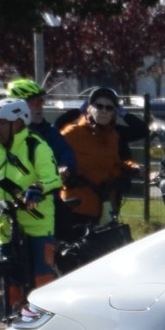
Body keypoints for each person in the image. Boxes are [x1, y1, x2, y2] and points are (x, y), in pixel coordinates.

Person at [0, 96, 64, 311]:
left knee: (42, 277)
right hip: (5, 222)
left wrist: (37, 189)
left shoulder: (36, 146)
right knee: (11, 280)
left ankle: (48, 319)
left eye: (1, 123)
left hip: (37, 223)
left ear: (18, 123)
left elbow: (54, 178)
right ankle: (14, 323)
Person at [59, 84, 140, 227]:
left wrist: (131, 168)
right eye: (99, 106)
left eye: (109, 108)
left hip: (105, 206)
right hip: (78, 206)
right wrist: (61, 169)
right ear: (89, 108)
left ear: (114, 112)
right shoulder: (72, 133)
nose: (103, 111)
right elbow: (51, 157)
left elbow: (114, 164)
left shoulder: (113, 136)